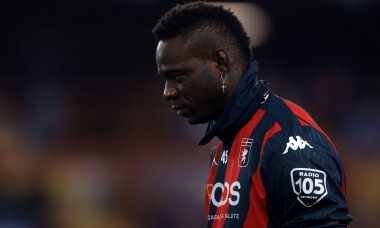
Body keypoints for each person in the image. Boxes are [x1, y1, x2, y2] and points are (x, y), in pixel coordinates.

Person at [152, 2, 352, 227]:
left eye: (178, 76)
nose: (167, 92)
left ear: (220, 64)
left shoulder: (288, 138)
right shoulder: (224, 147)